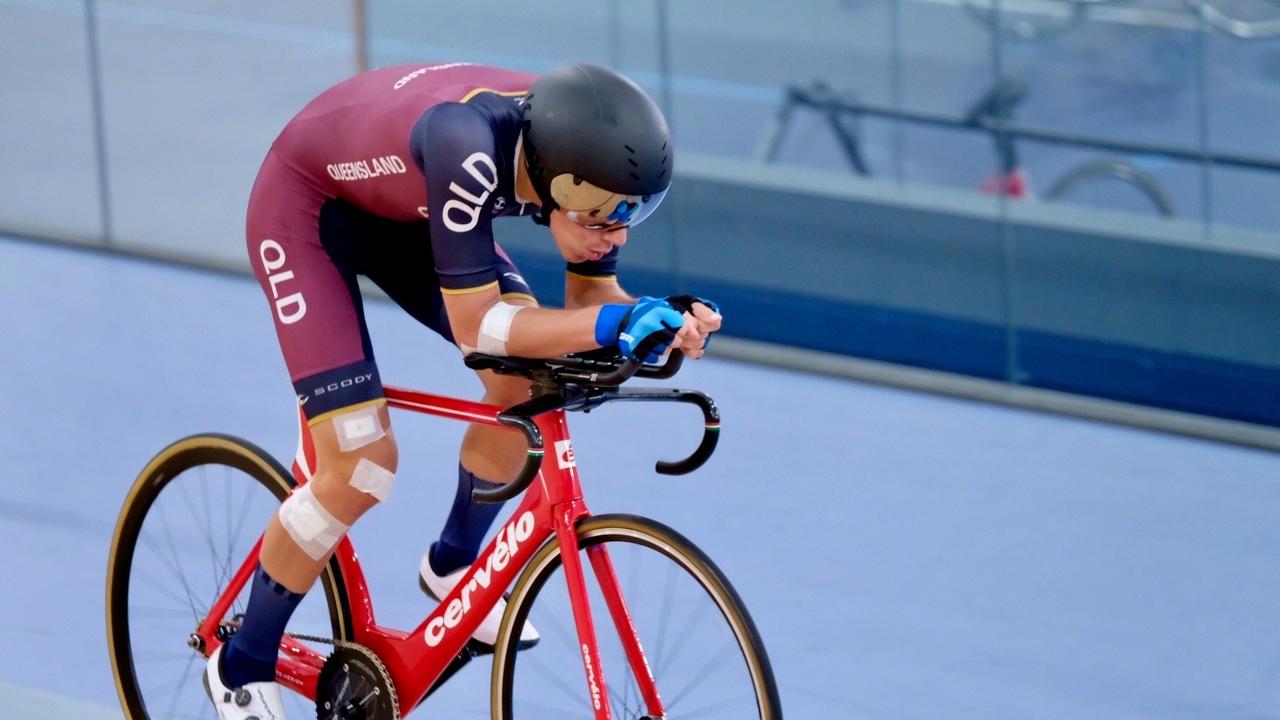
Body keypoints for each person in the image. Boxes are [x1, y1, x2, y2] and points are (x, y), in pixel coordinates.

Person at [204, 61, 722, 719]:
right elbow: (481, 327)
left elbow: (591, 300)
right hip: (306, 211)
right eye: (601, 218)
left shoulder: (588, 162)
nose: (614, 233)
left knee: (529, 384)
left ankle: (452, 565)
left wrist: (660, 318)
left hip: (410, 214)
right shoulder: (467, 142)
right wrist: (612, 322)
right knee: (360, 465)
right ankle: (242, 660)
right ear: (556, 178)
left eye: (633, 217)